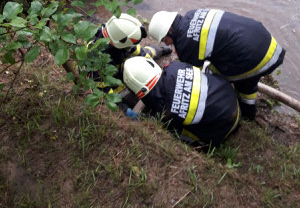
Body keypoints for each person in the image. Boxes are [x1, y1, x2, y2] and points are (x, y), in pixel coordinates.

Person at [149, 9, 286, 120]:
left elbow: (190, 77)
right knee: (241, 79)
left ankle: (240, 111)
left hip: (254, 56)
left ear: (170, 30)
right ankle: (248, 110)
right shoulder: (192, 14)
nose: (166, 44)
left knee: (217, 76)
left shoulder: (185, 43)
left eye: (164, 39)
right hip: (264, 40)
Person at [123, 56, 240, 147]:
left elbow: (161, 123)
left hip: (226, 125)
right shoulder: (175, 66)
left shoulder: (164, 113)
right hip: (228, 95)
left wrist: (143, 119)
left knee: (176, 133)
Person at [87, 13, 171, 94]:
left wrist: (148, 60)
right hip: (111, 75)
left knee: (147, 53)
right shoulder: (96, 60)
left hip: (118, 60)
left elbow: (134, 49)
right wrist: (119, 104)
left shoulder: (115, 33)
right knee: (129, 87)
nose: (131, 46)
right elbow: (102, 88)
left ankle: (161, 50)